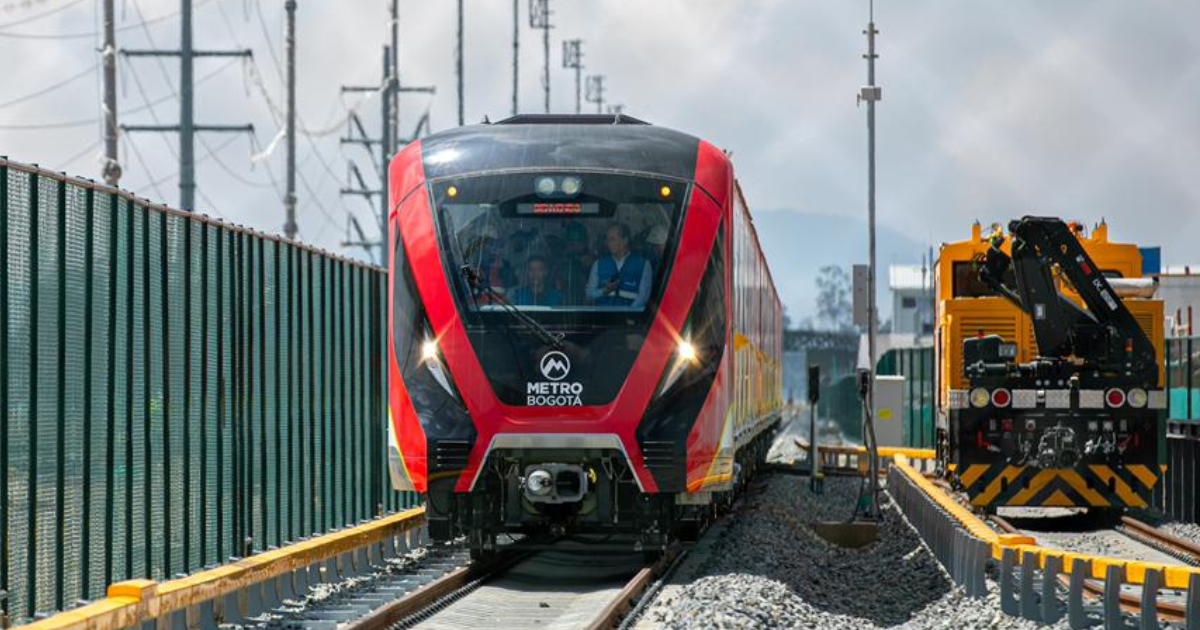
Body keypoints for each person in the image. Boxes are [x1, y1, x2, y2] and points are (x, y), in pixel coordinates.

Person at [586, 222, 652, 308]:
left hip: (630, 319)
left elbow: (644, 297)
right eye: (608, 240)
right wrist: (605, 290)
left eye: (613, 239)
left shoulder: (643, 265)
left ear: (625, 240)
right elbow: (589, 294)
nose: (609, 243)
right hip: (602, 318)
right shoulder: (598, 264)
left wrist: (626, 314)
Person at [558, 222, 594, 305]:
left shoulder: (595, 264)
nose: (574, 246)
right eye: (571, 243)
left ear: (585, 243)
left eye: (579, 243)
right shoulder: (560, 264)